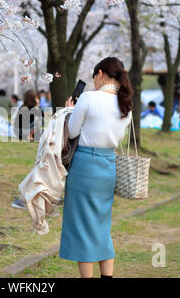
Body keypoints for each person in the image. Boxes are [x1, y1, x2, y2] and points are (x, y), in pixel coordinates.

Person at [62, 57, 132, 278]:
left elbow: (72, 132)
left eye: (95, 77)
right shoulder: (125, 106)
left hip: (85, 165)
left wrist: (68, 111)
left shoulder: (88, 98)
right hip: (108, 165)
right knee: (101, 225)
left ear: (100, 74)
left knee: (82, 225)